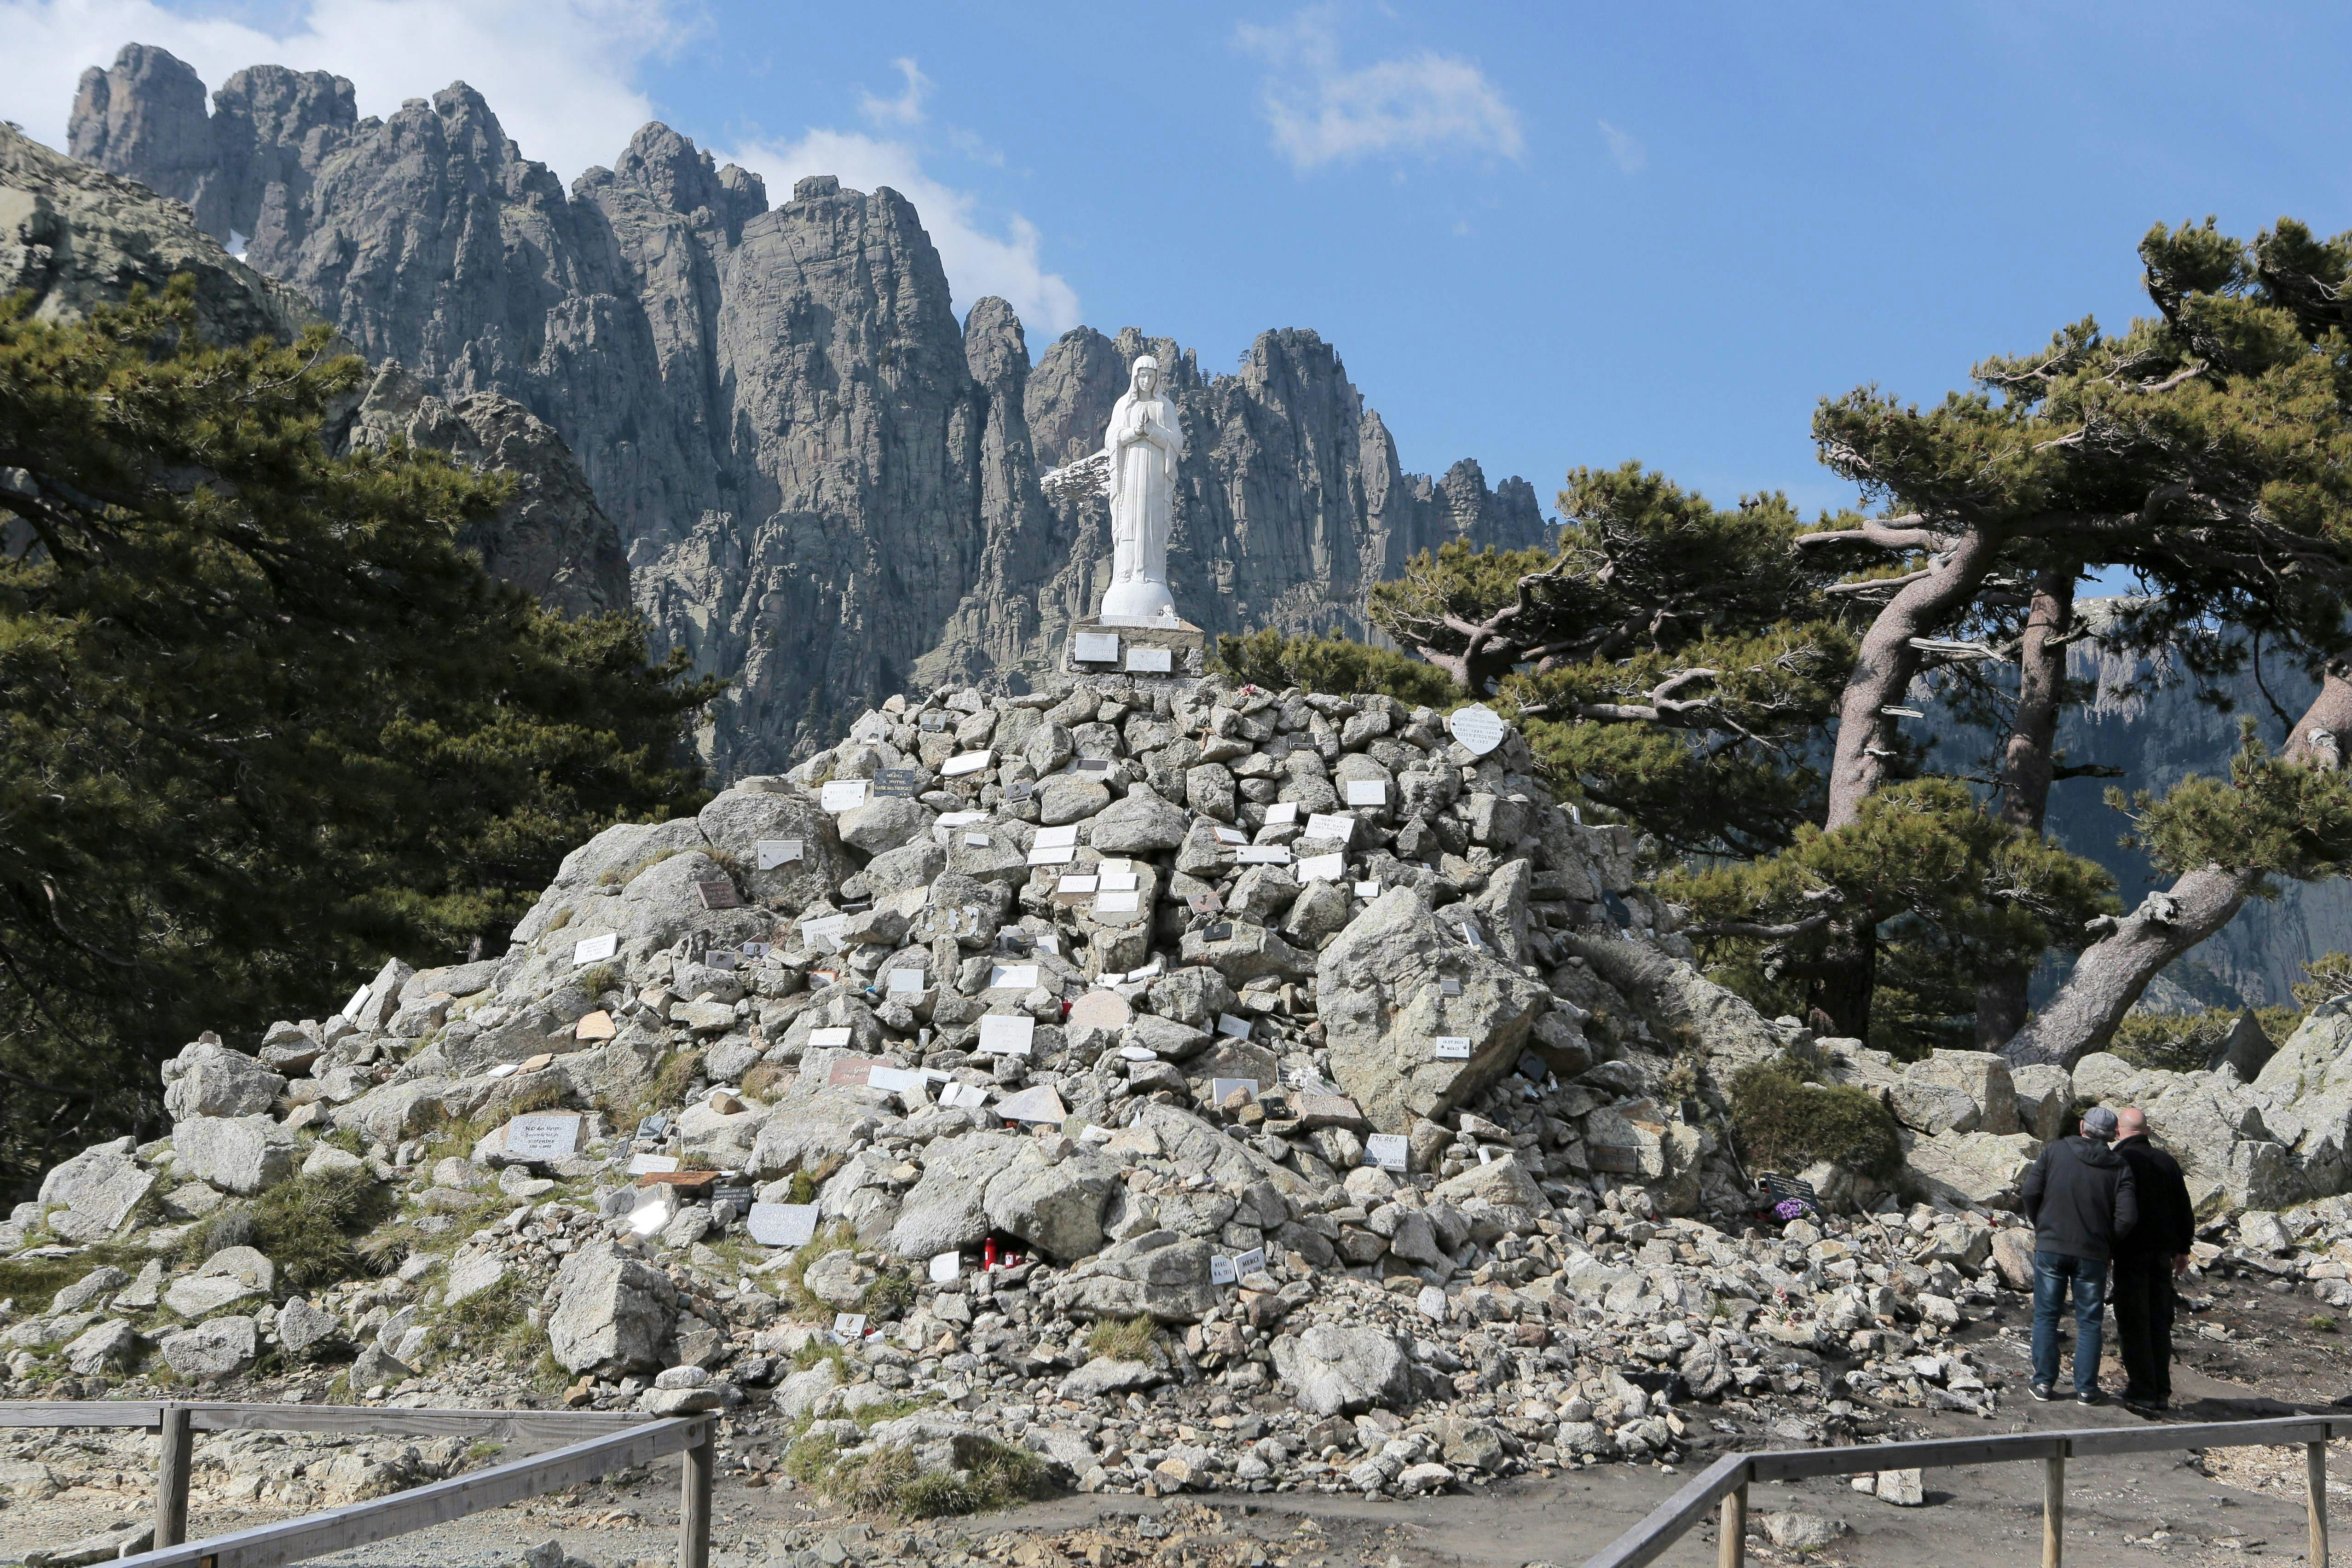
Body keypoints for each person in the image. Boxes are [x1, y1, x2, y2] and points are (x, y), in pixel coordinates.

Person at [2019, 1104, 2138, 1404]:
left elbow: (2030, 1192)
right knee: (2089, 1322)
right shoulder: (2119, 1166)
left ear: (2082, 1127)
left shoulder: (2055, 1151)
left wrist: (2042, 1226)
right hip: (2093, 1253)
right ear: (2112, 1135)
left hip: (2051, 1246)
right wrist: (2106, 1242)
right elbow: (2127, 1217)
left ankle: (2044, 1384)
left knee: (2046, 1316)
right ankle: (2086, 1389)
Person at [2110, 1106, 2196, 1411]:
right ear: (2147, 1131)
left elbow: (2112, 1207)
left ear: (2118, 1131)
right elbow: (2183, 1208)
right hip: (2162, 1253)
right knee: (2159, 1320)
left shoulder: (2117, 1161)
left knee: (2133, 1321)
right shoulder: (2166, 1161)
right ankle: (2161, 1389)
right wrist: (2183, 1248)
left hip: (2129, 1251)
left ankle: (2142, 1389)